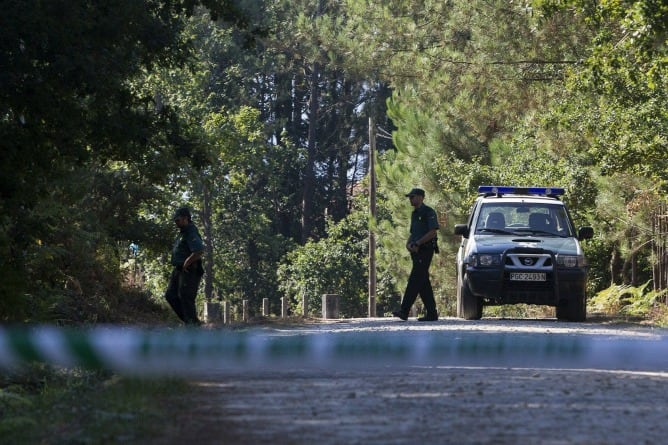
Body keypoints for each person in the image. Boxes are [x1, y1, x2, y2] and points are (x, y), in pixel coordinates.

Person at [393, 188, 440, 321]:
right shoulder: (414, 214)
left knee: (414, 280)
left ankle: (404, 310)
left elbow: (433, 232)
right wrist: (409, 244)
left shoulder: (428, 212)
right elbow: (413, 233)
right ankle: (432, 313)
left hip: (425, 250)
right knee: (423, 282)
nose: (410, 199)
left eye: (412, 197)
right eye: (409, 197)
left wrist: (418, 243)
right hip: (416, 251)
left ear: (421, 197)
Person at [164, 207, 204, 325]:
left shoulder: (191, 231)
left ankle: (192, 325)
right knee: (170, 295)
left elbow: (198, 251)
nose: (176, 223)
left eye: (178, 220)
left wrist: (187, 262)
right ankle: (189, 322)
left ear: (186, 218)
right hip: (178, 269)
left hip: (189, 270)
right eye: (175, 220)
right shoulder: (182, 232)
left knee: (186, 297)